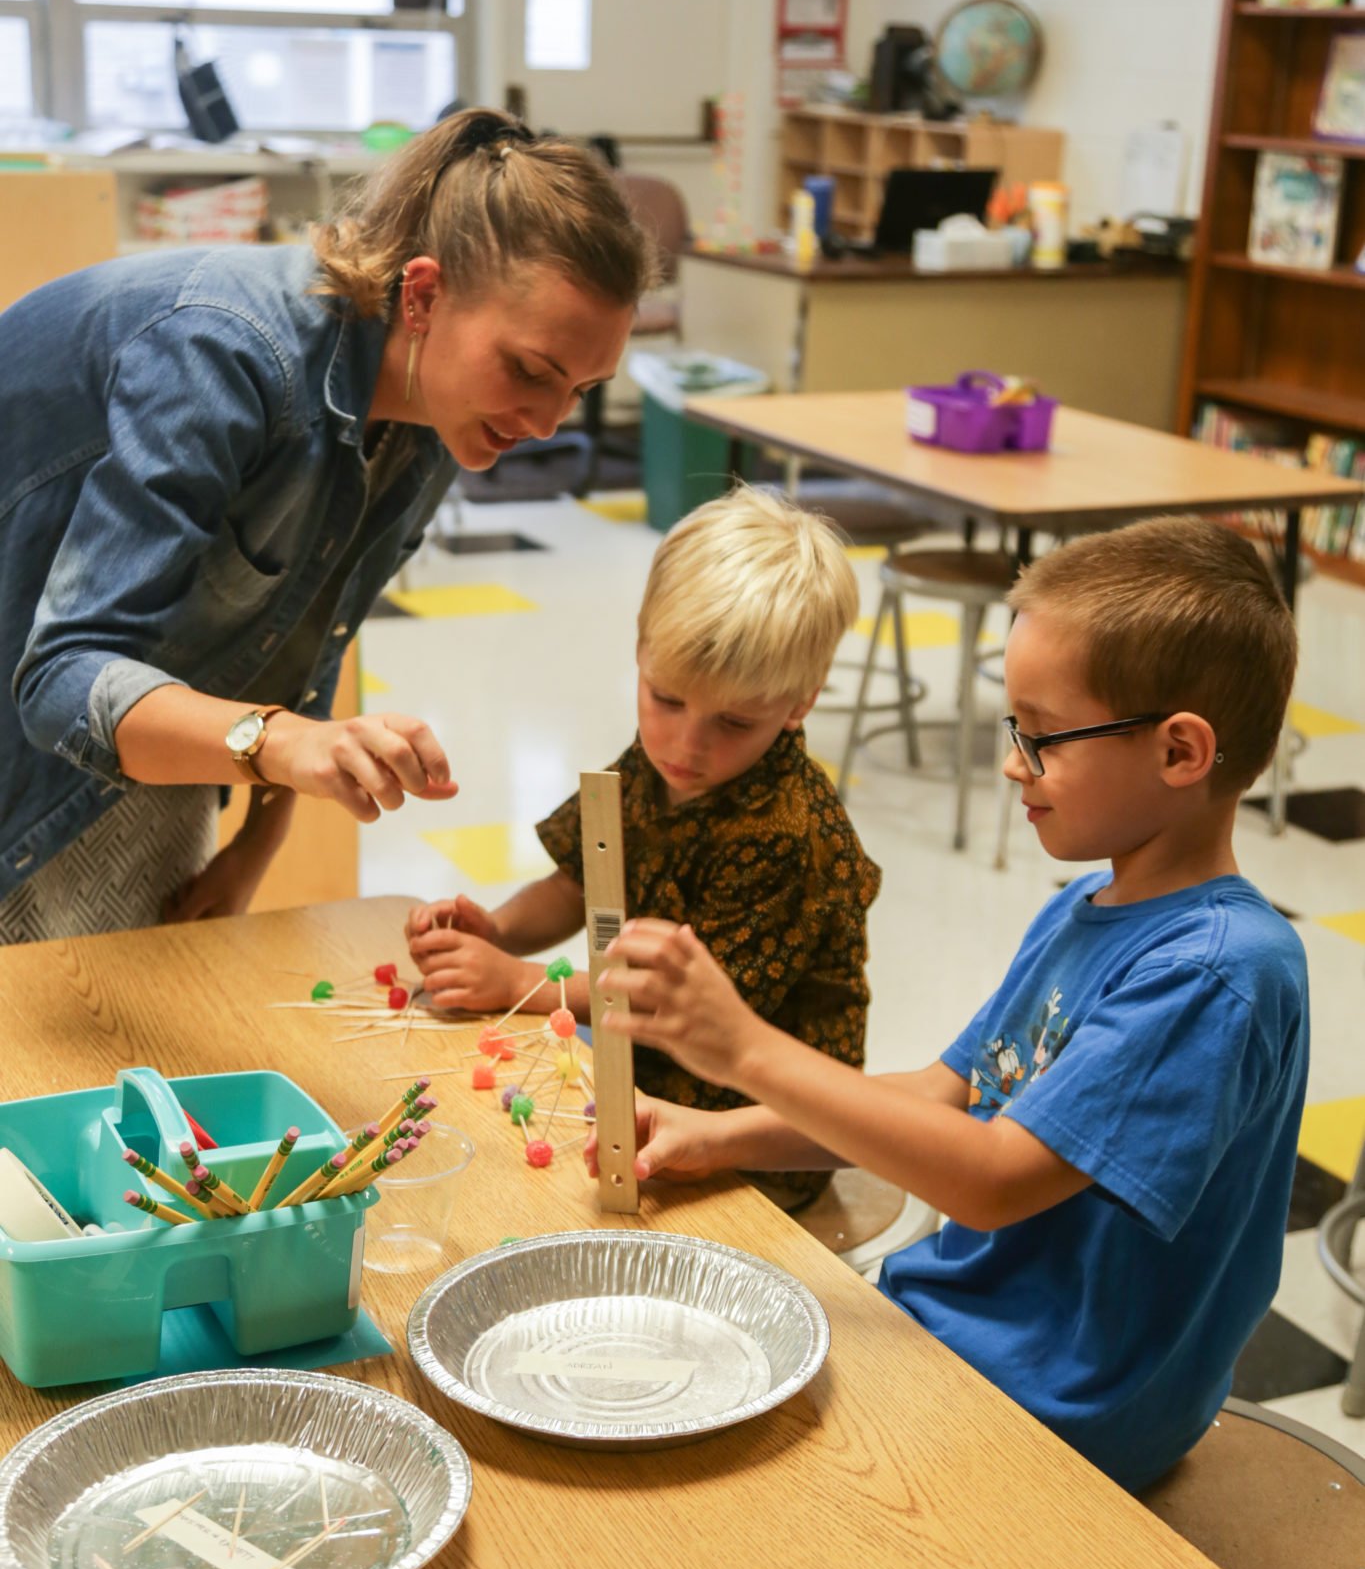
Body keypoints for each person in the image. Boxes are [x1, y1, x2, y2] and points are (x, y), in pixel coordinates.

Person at [594, 517, 1309, 1492]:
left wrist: (745, 1048)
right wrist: (716, 1132)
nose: (1015, 760)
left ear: (1181, 751)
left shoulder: (1219, 971)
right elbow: (944, 1096)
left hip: (1057, 1411)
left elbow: (991, 1178)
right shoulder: (1085, 906)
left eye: (1042, 735)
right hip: (962, 1330)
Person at [0, 108, 652, 942]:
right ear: (422, 295)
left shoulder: (436, 409)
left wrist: (258, 841)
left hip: (135, 717)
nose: (547, 422)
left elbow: (307, 636)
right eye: (530, 371)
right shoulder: (220, 353)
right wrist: (279, 745)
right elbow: (61, 678)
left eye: (581, 390)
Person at [405, 487, 882, 1209]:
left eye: (734, 722)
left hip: (749, 1139)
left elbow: (675, 1010)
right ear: (640, 648)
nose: (685, 745)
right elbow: (580, 883)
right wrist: (498, 931)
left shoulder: (790, 837)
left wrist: (517, 984)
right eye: (664, 699)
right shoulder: (653, 763)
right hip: (639, 1085)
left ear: (799, 703)